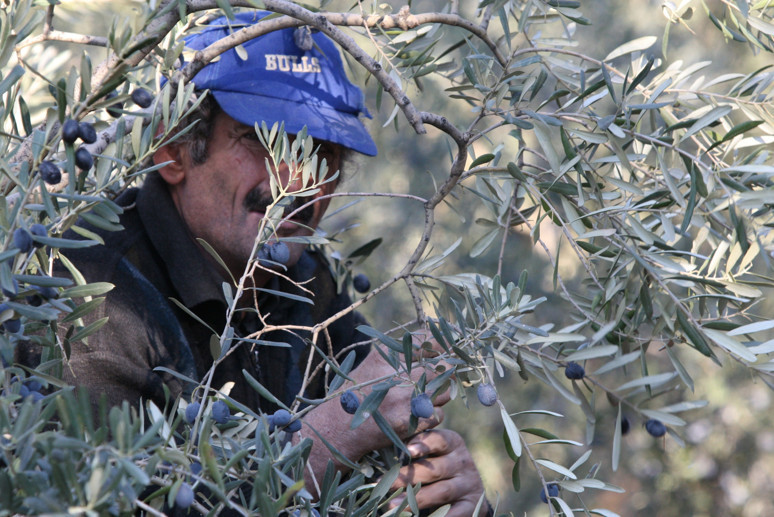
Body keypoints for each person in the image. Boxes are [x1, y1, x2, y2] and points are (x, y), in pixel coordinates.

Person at [24, 11, 491, 516]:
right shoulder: (87, 292)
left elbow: (383, 456)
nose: (297, 182)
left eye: (322, 152)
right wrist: (332, 436)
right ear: (173, 149)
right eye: (263, 140)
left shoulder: (306, 283)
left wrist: (453, 493)